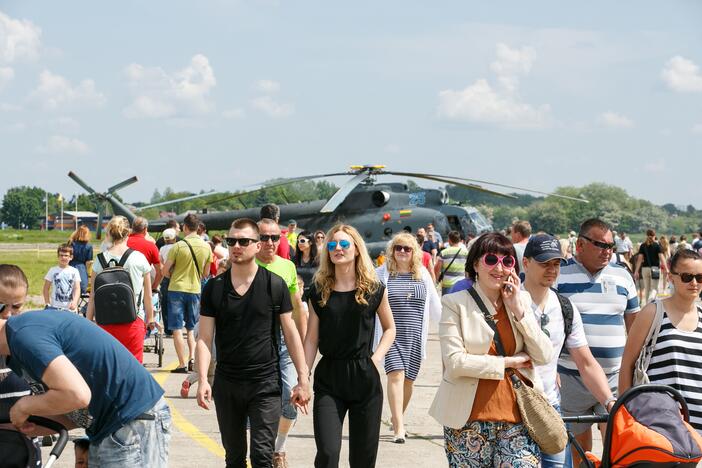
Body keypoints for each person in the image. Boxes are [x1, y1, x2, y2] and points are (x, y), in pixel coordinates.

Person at [429, 232, 552, 467]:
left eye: (507, 261)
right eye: (491, 260)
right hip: (467, 420)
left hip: (518, 418)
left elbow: (544, 355)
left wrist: (519, 311)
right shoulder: (455, 304)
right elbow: (455, 363)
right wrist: (509, 362)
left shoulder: (520, 300)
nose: (499, 268)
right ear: (476, 264)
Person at [195, 218, 310, 468]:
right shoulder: (214, 288)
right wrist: (203, 378)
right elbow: (204, 338)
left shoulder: (274, 285)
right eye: (231, 241)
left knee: (261, 456)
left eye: (244, 241)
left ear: (257, 246)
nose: (237, 246)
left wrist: (303, 378)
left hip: (265, 384)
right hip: (228, 384)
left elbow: (290, 333)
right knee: (234, 457)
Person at [1, 310, 171, 467]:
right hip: (107, 428)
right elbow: (76, 409)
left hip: (131, 421)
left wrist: (24, 406)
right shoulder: (16, 348)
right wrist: (30, 427)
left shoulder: (24, 337)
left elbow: (77, 395)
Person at [303, 224, 396, 468]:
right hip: (329, 379)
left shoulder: (374, 289)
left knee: (363, 460)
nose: (338, 249)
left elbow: (390, 329)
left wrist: (376, 359)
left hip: (365, 377)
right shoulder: (318, 291)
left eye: (344, 244)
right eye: (332, 245)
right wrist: (304, 376)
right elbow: (311, 338)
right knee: (327, 453)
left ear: (356, 250)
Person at [522, 234, 616, 467]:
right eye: (544, 263)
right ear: (526, 263)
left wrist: (609, 401)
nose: (552, 269)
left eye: (556, 264)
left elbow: (585, 362)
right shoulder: (508, 302)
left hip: (551, 408)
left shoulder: (565, 307)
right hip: (514, 410)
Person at [556, 218, 640, 465]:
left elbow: (634, 328)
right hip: (571, 379)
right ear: (580, 245)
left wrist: (631, 373)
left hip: (614, 378)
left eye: (611, 246)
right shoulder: (559, 277)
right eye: (601, 245)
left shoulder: (623, 276)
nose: (608, 251)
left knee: (617, 446)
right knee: (579, 452)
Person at [619, 248, 702, 431]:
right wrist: (623, 414)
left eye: (700, 277)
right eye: (687, 277)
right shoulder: (652, 313)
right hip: (659, 422)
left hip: (698, 423)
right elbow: (627, 364)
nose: (694, 283)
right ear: (671, 277)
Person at [375, 233, 440, 443]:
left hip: (415, 335)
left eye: (407, 248)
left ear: (414, 252)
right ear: (392, 251)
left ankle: (397, 418)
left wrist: (451, 328)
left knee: (409, 380)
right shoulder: (381, 274)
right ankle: (399, 429)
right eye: (398, 248)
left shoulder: (422, 275)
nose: (402, 252)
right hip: (390, 334)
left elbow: (435, 307)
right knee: (396, 375)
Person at [255, 218, 307, 467]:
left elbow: (297, 306)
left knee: (290, 394)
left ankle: (280, 447)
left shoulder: (287, 267)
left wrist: (304, 342)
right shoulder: (246, 264)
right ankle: (259, 450)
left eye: (275, 237)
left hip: (284, 339)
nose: (269, 242)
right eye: (264, 237)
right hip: (255, 341)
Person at [86, 216, 154, 363]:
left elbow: (92, 296)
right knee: (134, 367)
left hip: (105, 321)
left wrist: (89, 321)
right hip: (133, 320)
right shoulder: (139, 258)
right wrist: (151, 318)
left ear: (110, 233)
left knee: (108, 366)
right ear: (128, 233)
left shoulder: (99, 259)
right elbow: (148, 295)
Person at [0, 265, 42, 466]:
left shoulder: (29, 347)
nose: (8, 314)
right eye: (1, 305)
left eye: (16, 307)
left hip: (25, 452)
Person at [161, 213, 213, 373]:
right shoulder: (206, 247)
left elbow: (164, 271)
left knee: (177, 327)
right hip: (195, 290)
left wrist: (174, 275)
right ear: (198, 228)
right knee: (191, 328)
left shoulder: (178, 246)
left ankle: (181, 363)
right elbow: (206, 273)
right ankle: (192, 358)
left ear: (184, 227)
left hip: (176, 289)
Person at [127, 216, 162, 293]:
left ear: (132, 227)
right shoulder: (151, 245)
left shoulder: (122, 242)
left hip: (123, 285)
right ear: (145, 229)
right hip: (141, 287)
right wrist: (154, 287)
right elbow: (160, 271)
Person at [43, 243, 81, 311]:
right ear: (58, 256)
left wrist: (75, 302)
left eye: (66, 255)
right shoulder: (52, 270)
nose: (63, 257)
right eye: (61, 255)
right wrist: (47, 303)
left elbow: (77, 288)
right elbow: (46, 288)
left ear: (71, 257)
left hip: (70, 308)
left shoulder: (74, 271)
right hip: (54, 307)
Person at [634, 229, 666, 305]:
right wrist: (666, 268)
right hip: (655, 269)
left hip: (644, 269)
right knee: (654, 288)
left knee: (647, 289)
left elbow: (639, 259)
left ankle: (647, 306)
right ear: (654, 235)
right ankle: (651, 302)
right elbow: (662, 258)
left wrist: (636, 271)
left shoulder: (643, 245)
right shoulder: (657, 245)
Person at [159, 228, 178, 335]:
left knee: (165, 303)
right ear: (174, 238)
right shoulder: (177, 247)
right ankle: (176, 326)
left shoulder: (162, 248)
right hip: (176, 276)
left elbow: (160, 262)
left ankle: (168, 329)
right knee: (175, 302)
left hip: (166, 277)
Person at [69, 225, 93, 295]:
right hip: (82, 268)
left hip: (71, 265)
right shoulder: (89, 246)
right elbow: (89, 261)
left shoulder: (71, 243)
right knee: (81, 288)